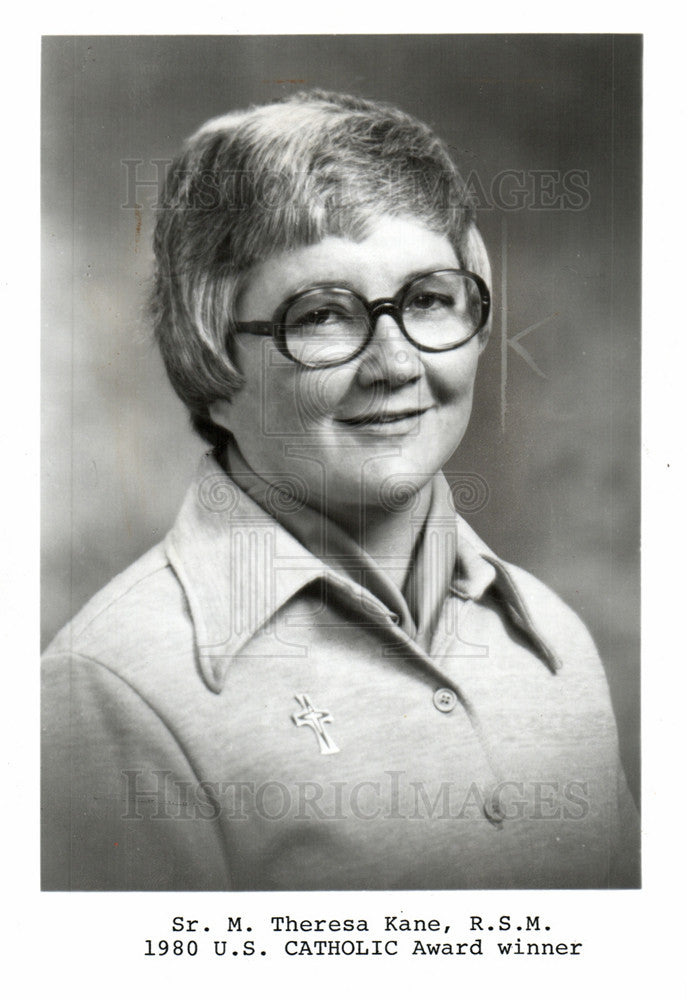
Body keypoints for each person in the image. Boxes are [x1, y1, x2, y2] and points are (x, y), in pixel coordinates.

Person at [41, 89, 639, 891]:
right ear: (211, 358)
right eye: (322, 316)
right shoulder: (110, 691)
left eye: (429, 301)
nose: (394, 365)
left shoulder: (553, 639)